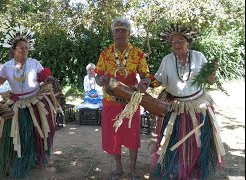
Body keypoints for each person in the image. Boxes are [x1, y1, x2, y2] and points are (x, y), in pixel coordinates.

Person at [151, 24, 225, 179]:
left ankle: (193, 169)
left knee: (196, 141)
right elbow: (157, 81)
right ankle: (173, 169)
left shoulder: (198, 57)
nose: (177, 45)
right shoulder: (167, 60)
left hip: (197, 106)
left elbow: (210, 81)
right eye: (173, 42)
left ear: (188, 42)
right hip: (175, 107)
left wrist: (213, 71)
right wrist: (145, 81)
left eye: (180, 41)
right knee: (173, 140)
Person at [0, 24, 59, 178]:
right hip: (16, 104)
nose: (24, 50)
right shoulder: (7, 66)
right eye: (20, 48)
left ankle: (37, 157)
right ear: (14, 50)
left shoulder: (34, 63)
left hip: (35, 102)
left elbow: (43, 77)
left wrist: (48, 79)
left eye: (26, 47)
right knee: (16, 134)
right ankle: (17, 158)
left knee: (36, 132)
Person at [95, 17, 152, 180]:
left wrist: (144, 84)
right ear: (113, 33)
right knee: (113, 135)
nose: (119, 33)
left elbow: (145, 75)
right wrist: (99, 80)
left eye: (123, 30)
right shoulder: (105, 53)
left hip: (131, 101)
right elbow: (98, 74)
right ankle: (118, 168)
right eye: (116, 30)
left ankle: (133, 169)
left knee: (132, 135)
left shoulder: (138, 53)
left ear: (128, 33)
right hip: (110, 101)